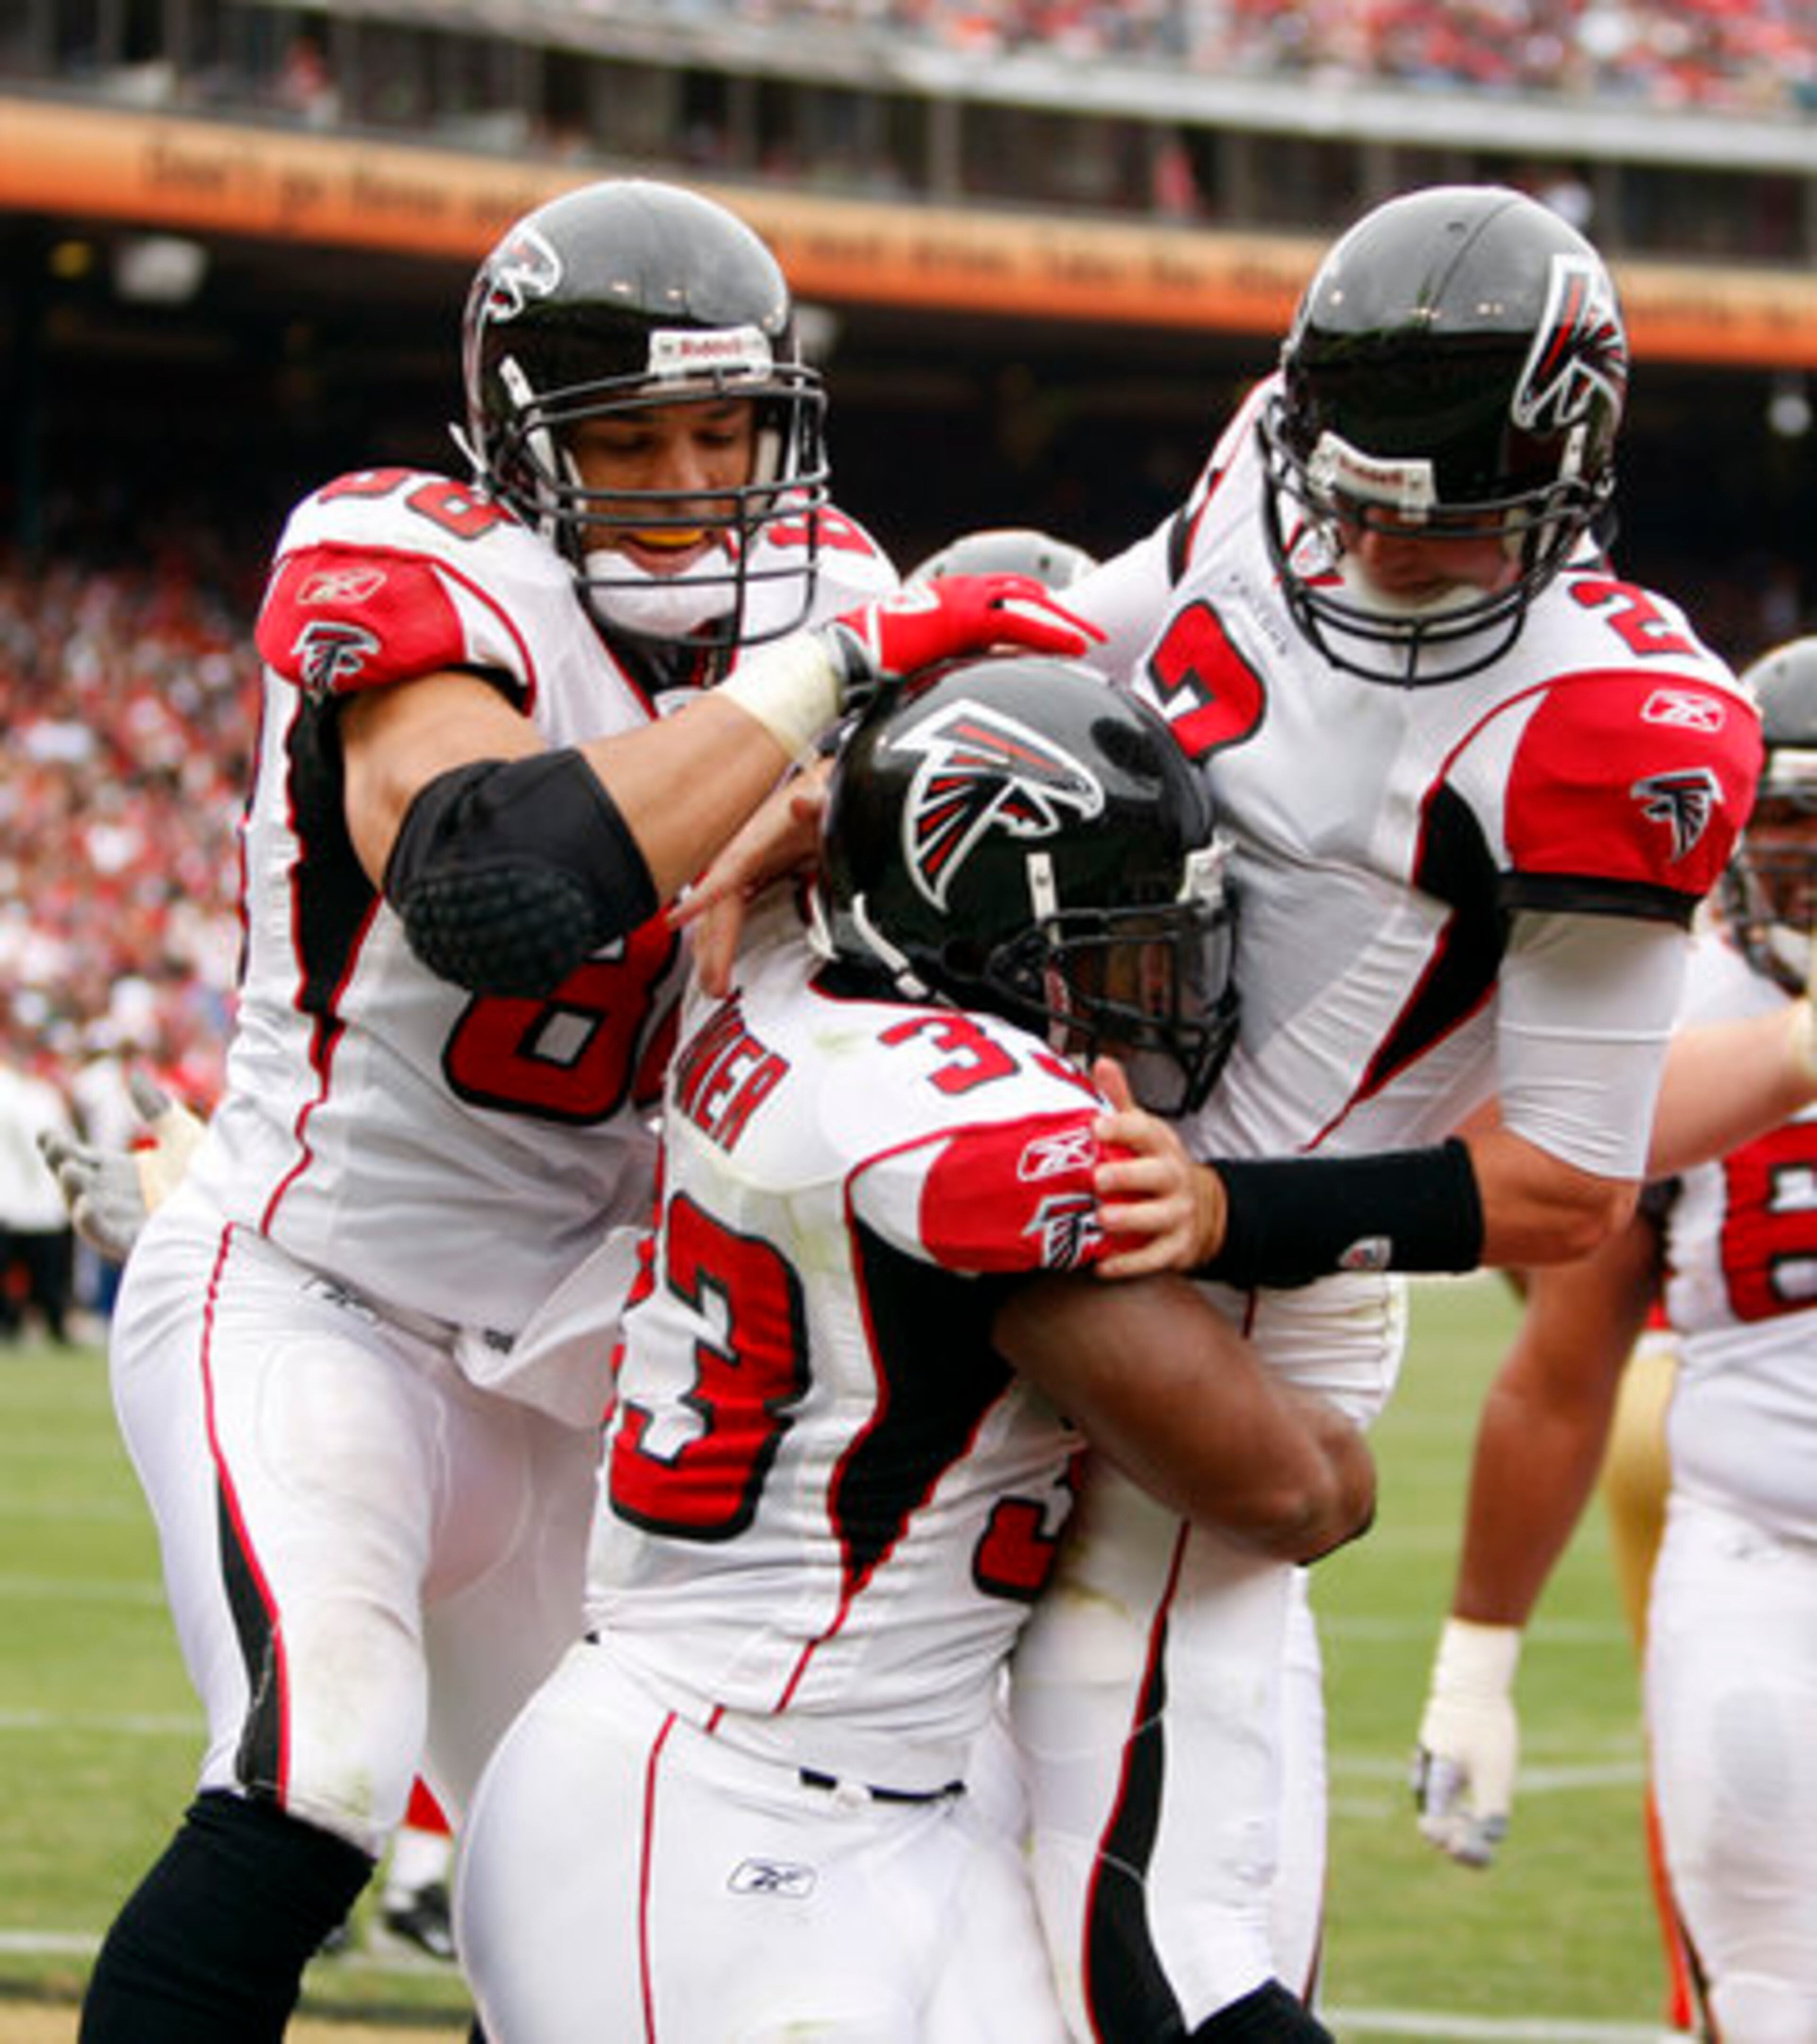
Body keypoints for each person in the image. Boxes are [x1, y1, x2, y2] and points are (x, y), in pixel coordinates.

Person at [77, 174, 1097, 2044]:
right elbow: (490, 891)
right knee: (322, 1768)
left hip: (590, 1366)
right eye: (630, 437)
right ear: (525, 444)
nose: (690, 479)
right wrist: (821, 694)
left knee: (563, 1879)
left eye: (727, 431)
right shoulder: (415, 553)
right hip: (324, 1300)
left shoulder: (831, 589)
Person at [999, 183, 1762, 2039]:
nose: (1386, 554)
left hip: (1252, 1289)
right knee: (991, 1873)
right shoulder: (1266, 464)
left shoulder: (1609, 719)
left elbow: (1571, 1186)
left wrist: (1227, 1210)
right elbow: (1095, 626)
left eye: (1452, 523)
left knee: (1138, 1930)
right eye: (1356, 502)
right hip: (1051, 1196)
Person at [452, 653, 1377, 2041]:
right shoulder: (959, 1140)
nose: (1147, 991)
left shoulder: (772, 973)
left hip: (886, 1806)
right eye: (1112, 949)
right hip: (716, 1817)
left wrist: (818, 795)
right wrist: (1354, 1297)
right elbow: (1293, 1493)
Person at [1413, 636, 1817, 2043]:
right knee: (1773, 1998)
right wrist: (1479, 1650)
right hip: (1762, 1555)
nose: (1813, 865)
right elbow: (1560, 1368)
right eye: (1787, 824)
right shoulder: (1685, 1012)